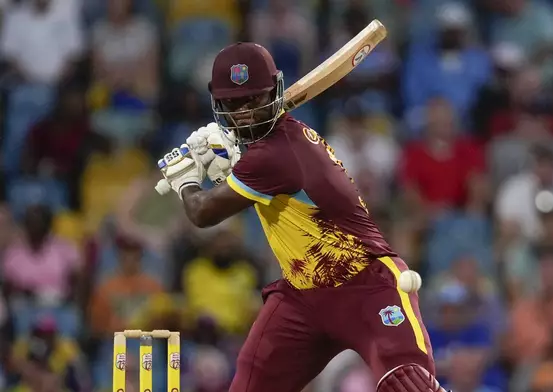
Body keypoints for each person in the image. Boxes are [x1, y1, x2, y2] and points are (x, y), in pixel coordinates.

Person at [156, 42, 444, 392]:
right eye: (233, 104)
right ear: (217, 102)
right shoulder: (268, 149)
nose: (245, 113)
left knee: (407, 384)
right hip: (302, 299)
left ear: (275, 93)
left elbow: (202, 213)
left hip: (367, 285)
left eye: (254, 100)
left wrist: (186, 178)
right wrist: (229, 161)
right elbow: (255, 177)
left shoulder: (276, 154)